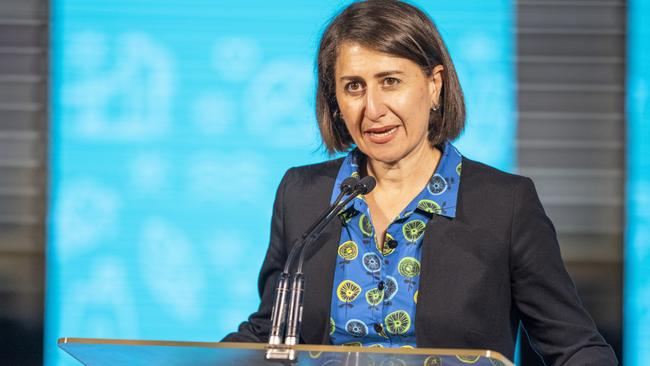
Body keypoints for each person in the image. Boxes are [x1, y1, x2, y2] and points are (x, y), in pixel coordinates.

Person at [223, 1, 617, 364]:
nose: (373, 109)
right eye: (354, 86)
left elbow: (575, 347)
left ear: (434, 85)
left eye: (390, 81)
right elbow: (269, 332)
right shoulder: (304, 196)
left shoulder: (505, 204)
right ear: (336, 102)